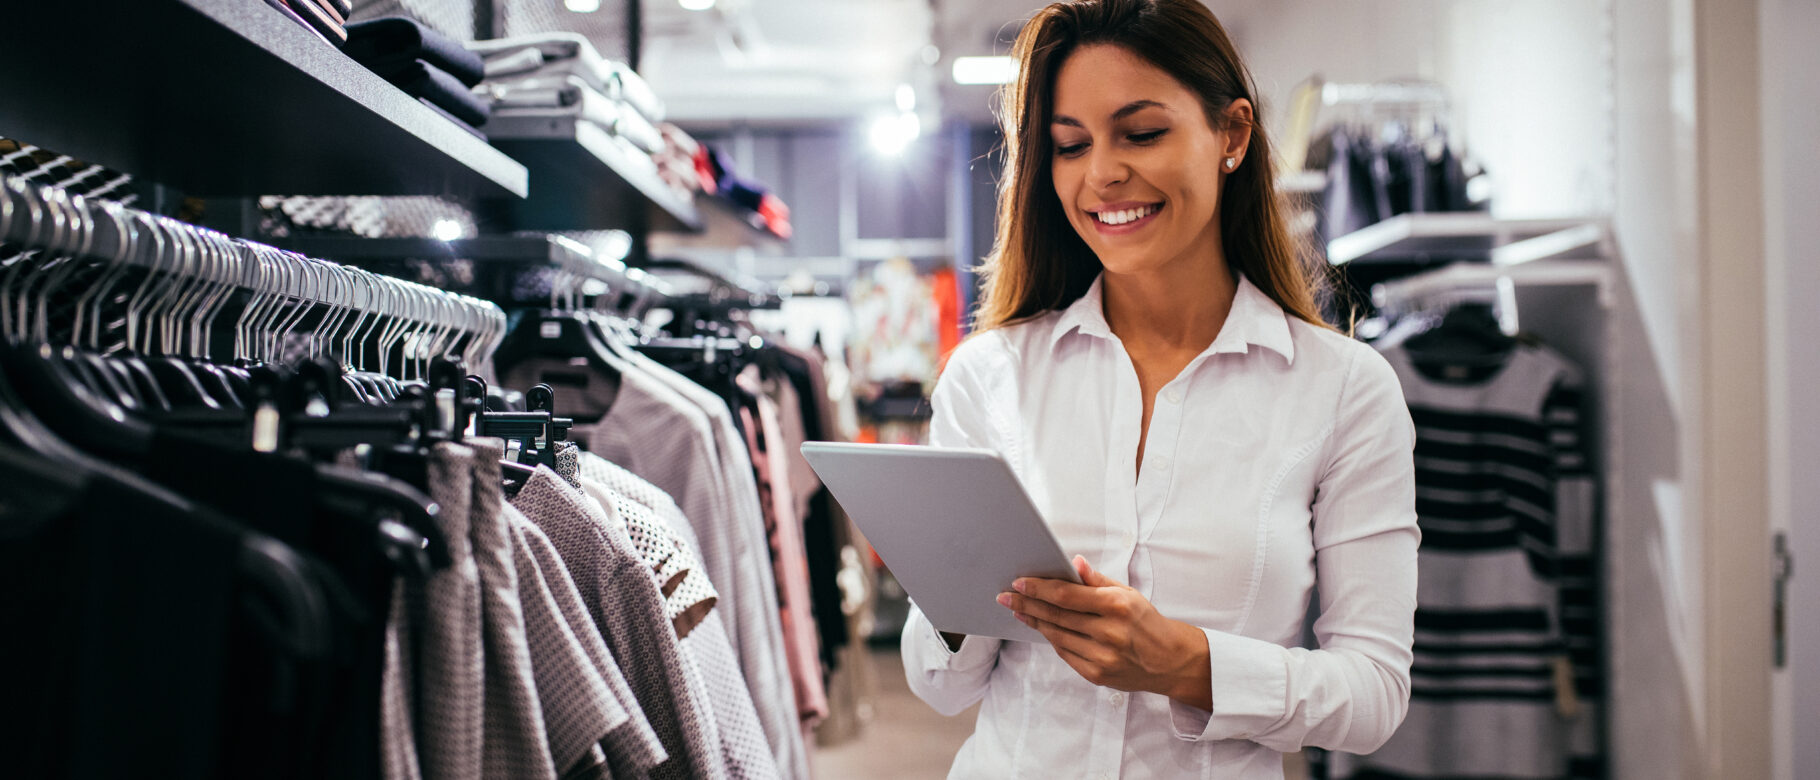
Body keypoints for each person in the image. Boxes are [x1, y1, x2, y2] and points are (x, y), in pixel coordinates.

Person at [900, 0, 1420, 777]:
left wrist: (1190, 664)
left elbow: (1374, 693)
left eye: (1141, 133)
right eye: (1069, 145)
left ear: (1231, 135)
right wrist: (965, 589)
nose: (1102, 173)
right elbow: (938, 687)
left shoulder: (1344, 390)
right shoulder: (990, 376)